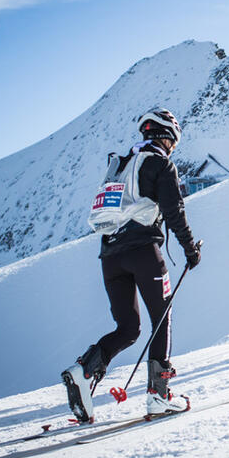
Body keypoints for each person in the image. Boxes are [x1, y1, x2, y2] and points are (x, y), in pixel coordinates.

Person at [63, 108, 201, 423]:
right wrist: (190, 249)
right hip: (143, 253)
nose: (172, 149)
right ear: (169, 137)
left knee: (128, 328)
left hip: (110, 257)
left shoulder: (122, 164)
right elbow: (174, 210)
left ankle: (84, 370)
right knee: (161, 319)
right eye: (173, 143)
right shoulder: (159, 163)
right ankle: (159, 395)